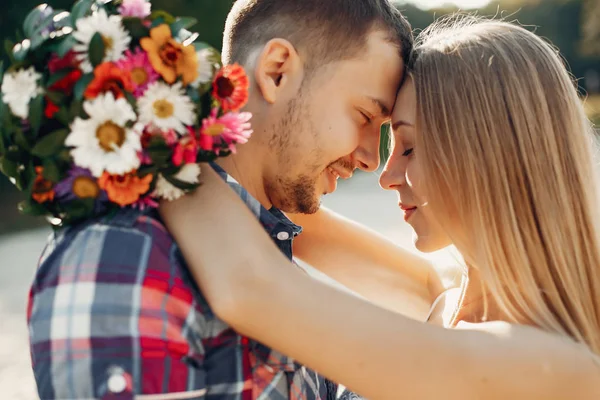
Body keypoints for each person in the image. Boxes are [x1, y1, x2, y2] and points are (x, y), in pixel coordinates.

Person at [160, 16, 600, 399]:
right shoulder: (449, 298)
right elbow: (272, 195)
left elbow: (249, 287)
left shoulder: (553, 367)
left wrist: (148, 134)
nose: (384, 175)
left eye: (407, 147)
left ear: (488, 157)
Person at [27, 0, 414, 398]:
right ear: (277, 72)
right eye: (365, 116)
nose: (371, 159)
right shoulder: (121, 258)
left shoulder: (271, 262)